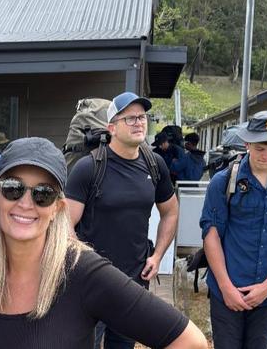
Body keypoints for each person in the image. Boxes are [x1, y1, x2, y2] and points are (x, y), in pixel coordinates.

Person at [0, 137, 207, 348]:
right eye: (12, 188)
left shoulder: (81, 271)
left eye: (42, 194)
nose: (25, 203)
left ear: (58, 207)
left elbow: (190, 341)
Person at [65, 91, 180, 349]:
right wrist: (84, 266)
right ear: (112, 128)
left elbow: (170, 211)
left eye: (142, 117)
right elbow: (65, 225)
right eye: (130, 118)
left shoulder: (155, 165)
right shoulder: (89, 168)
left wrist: (158, 255)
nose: (139, 122)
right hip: (91, 284)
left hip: (133, 284)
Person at [200, 111, 267, 349]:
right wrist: (226, 288)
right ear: (247, 143)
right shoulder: (224, 181)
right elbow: (211, 235)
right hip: (227, 289)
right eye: (260, 148)